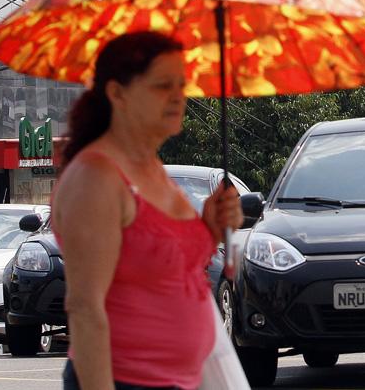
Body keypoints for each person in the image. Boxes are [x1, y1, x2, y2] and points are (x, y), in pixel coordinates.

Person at [52, 32, 243, 390]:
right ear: (117, 93)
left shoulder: (151, 167)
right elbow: (85, 308)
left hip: (181, 380)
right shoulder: (97, 177)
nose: (177, 97)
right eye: (161, 86)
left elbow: (167, 267)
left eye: (181, 85)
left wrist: (211, 228)